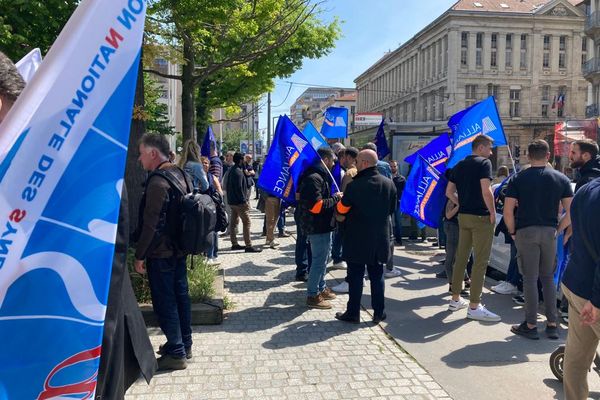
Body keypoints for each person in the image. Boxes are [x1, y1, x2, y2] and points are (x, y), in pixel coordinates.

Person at [134, 134, 192, 371]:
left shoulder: (158, 182)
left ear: (153, 154)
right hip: (179, 251)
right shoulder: (182, 174)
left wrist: (139, 255)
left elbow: (152, 224)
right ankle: (182, 344)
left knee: (165, 301)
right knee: (181, 298)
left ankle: (176, 352)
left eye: (141, 153)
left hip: (161, 254)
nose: (139, 159)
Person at [504, 139, 573, 339]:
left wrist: (513, 231)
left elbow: (508, 212)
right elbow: (571, 211)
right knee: (548, 279)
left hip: (526, 230)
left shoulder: (518, 179)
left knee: (529, 278)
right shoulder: (561, 179)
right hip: (549, 232)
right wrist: (558, 229)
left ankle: (531, 324)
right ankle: (552, 323)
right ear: (548, 155)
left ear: (528, 155)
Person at [334, 149, 397, 324]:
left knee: (355, 277)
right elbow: (391, 210)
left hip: (357, 238)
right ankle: (379, 313)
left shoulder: (354, 186)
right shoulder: (388, 184)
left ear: (364, 163)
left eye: (358, 162)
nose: (355, 165)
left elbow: (341, 210)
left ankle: (353, 313)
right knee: (377, 276)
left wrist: (341, 200)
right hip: (379, 239)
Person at [445, 134, 500, 321]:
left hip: (464, 216)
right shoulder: (484, 164)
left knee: (461, 258)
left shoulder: (459, 165)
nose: (491, 152)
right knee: (480, 261)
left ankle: (455, 299)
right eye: (489, 148)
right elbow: (487, 190)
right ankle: (475, 306)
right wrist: (492, 211)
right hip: (480, 216)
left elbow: (448, 191)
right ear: (481, 148)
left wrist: (460, 202)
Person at [561, 177, 600, 400]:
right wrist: (596, 300)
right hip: (593, 296)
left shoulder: (587, 189)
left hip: (576, 283)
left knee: (576, 358)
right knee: (576, 358)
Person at [298, 147, 342, 309]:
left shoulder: (319, 176)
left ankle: (321, 288)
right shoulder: (313, 178)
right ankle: (312, 295)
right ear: (326, 160)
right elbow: (316, 207)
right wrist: (335, 199)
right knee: (318, 261)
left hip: (324, 225)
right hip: (317, 226)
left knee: (324, 260)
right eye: (333, 161)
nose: (334, 164)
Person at [226, 152, 262, 253]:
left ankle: (234, 243)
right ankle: (248, 245)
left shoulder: (232, 170)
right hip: (239, 202)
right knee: (247, 222)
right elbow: (239, 188)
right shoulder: (238, 172)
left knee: (233, 223)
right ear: (241, 160)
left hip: (232, 202)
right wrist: (244, 201)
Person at [201, 156, 223, 263]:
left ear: (209, 165)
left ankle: (212, 254)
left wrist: (216, 201)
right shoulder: (197, 177)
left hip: (211, 208)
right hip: (200, 208)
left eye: (206, 163)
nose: (204, 165)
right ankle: (205, 254)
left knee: (212, 231)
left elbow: (220, 192)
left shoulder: (212, 177)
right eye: (202, 163)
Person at [389, 160, 406, 246]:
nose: (393, 168)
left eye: (394, 166)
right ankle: (389, 240)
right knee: (388, 221)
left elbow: (405, 192)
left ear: (397, 167)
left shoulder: (402, 179)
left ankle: (399, 240)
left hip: (398, 203)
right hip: (388, 203)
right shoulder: (387, 178)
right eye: (391, 166)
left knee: (398, 222)